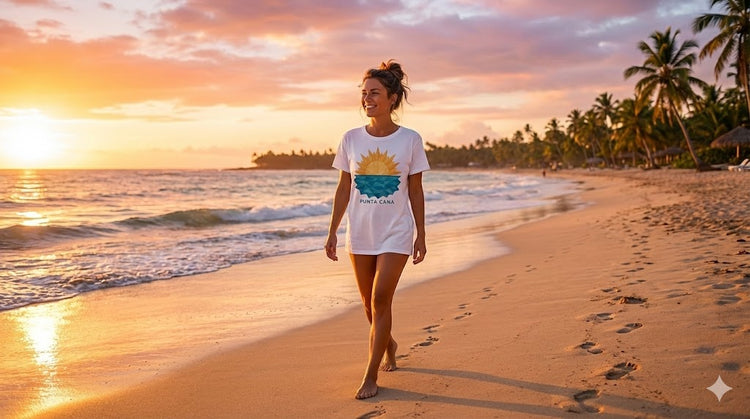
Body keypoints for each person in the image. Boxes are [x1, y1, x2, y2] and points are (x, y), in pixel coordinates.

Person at [325, 60, 430, 399]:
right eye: (364, 94)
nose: (367, 99)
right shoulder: (350, 139)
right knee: (369, 307)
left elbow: (415, 190)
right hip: (361, 232)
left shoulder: (410, 140)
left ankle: (370, 376)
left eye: (374, 93)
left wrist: (421, 235)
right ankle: (389, 342)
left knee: (381, 298)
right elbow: (344, 188)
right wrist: (332, 232)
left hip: (396, 232)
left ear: (392, 98)